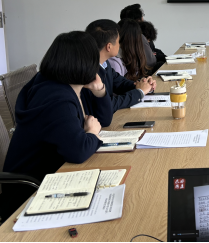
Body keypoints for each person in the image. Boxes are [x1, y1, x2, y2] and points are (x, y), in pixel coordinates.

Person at [1, 32, 113, 220]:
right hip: (30, 195)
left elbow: (104, 120)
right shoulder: (56, 98)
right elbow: (78, 151)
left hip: (53, 177)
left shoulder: (66, 84)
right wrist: (92, 133)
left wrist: (99, 90)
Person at [86, 19, 155, 113]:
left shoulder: (105, 64)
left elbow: (121, 83)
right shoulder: (88, 73)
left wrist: (144, 85)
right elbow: (108, 104)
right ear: (109, 47)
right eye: (118, 41)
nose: (120, 45)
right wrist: (139, 92)